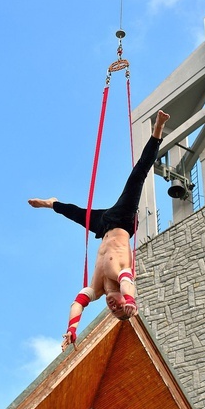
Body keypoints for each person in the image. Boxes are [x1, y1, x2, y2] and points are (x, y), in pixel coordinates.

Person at [28, 110, 170, 351]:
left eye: (112, 311)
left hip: (103, 226)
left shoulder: (97, 288)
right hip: (123, 221)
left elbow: (77, 303)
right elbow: (128, 286)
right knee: (138, 176)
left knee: (73, 213)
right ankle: (158, 129)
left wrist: (72, 329)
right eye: (118, 307)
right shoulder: (121, 276)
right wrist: (131, 302)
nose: (113, 307)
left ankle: (52, 202)